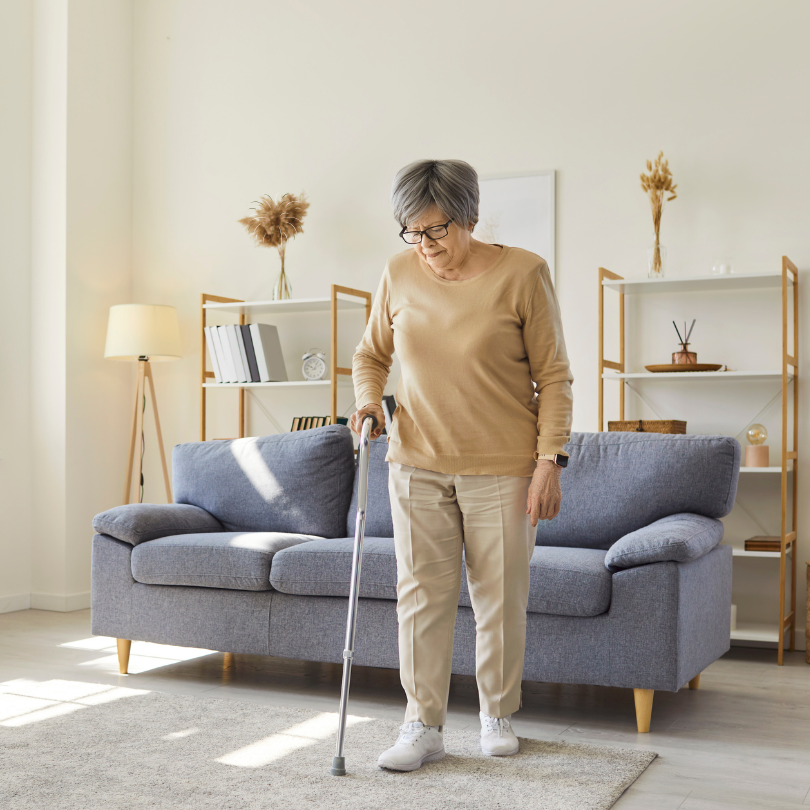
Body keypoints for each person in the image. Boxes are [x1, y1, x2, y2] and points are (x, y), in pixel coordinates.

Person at [349, 159, 574, 772]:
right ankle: (421, 725)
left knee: (500, 596)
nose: (425, 246)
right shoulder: (397, 274)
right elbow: (371, 354)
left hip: (503, 466)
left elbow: (553, 376)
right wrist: (369, 401)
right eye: (412, 233)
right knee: (420, 598)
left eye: (436, 230)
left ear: (469, 216)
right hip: (416, 463)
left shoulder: (525, 273)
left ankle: (496, 714)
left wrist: (548, 459)